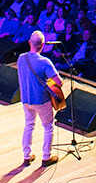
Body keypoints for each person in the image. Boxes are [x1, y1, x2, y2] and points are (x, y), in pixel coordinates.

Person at [16, 30, 63, 166]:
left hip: (26, 99)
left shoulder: (21, 58)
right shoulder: (45, 62)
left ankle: (27, 156)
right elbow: (59, 82)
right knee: (48, 127)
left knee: (29, 125)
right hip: (41, 100)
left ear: (29, 42)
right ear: (42, 45)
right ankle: (46, 157)